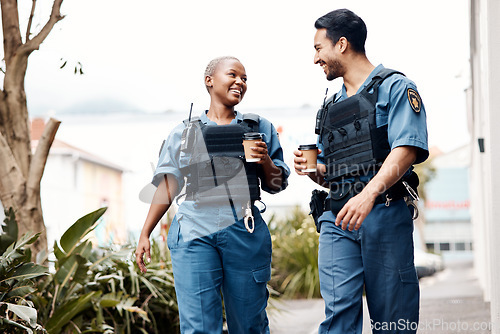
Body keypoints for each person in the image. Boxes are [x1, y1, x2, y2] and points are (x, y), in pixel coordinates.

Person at [293, 9, 428, 334]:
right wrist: (314, 170)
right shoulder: (331, 105)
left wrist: (368, 195)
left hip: (384, 213)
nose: (315, 59)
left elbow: (406, 149)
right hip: (338, 218)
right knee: (338, 316)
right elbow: (331, 172)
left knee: (394, 321)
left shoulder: (396, 88)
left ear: (341, 44)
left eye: (317, 48)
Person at [135, 56, 289, 334]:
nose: (240, 82)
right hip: (194, 229)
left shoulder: (259, 128)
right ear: (209, 81)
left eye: (244, 79)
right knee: (199, 327)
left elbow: (277, 185)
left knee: (249, 325)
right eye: (233, 75)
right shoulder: (184, 132)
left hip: (244, 227)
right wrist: (146, 232)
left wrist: (265, 160)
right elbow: (168, 184)